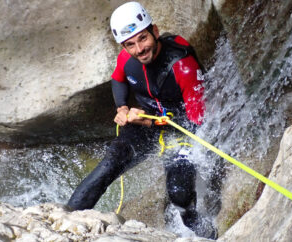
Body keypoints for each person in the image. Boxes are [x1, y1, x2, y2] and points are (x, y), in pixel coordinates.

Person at [67, 2, 216, 239]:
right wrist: (123, 107)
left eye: (143, 39)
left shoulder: (182, 65)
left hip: (181, 129)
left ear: (155, 31)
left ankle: (209, 233)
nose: (139, 49)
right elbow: (118, 79)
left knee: (179, 194)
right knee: (111, 161)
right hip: (148, 121)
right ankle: (66, 218)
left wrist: (149, 122)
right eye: (130, 44)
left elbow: (197, 119)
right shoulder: (127, 58)